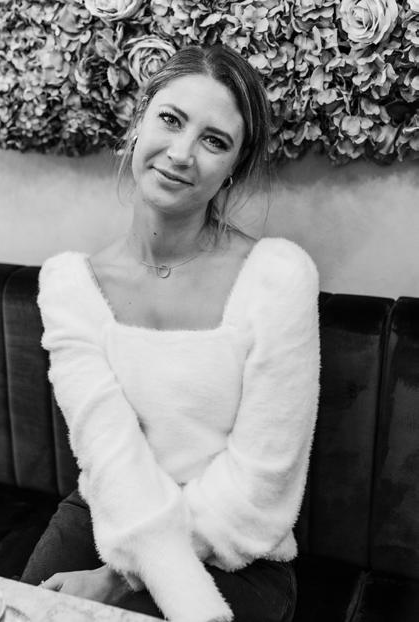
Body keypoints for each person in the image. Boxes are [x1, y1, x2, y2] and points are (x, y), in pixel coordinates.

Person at [21, 44, 320, 622]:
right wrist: (120, 560)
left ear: (234, 167)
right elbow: (108, 451)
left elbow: (262, 483)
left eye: (215, 141)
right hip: (108, 510)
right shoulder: (70, 286)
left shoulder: (279, 277)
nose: (182, 153)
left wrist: (118, 580)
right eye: (171, 119)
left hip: (237, 545)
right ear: (138, 123)